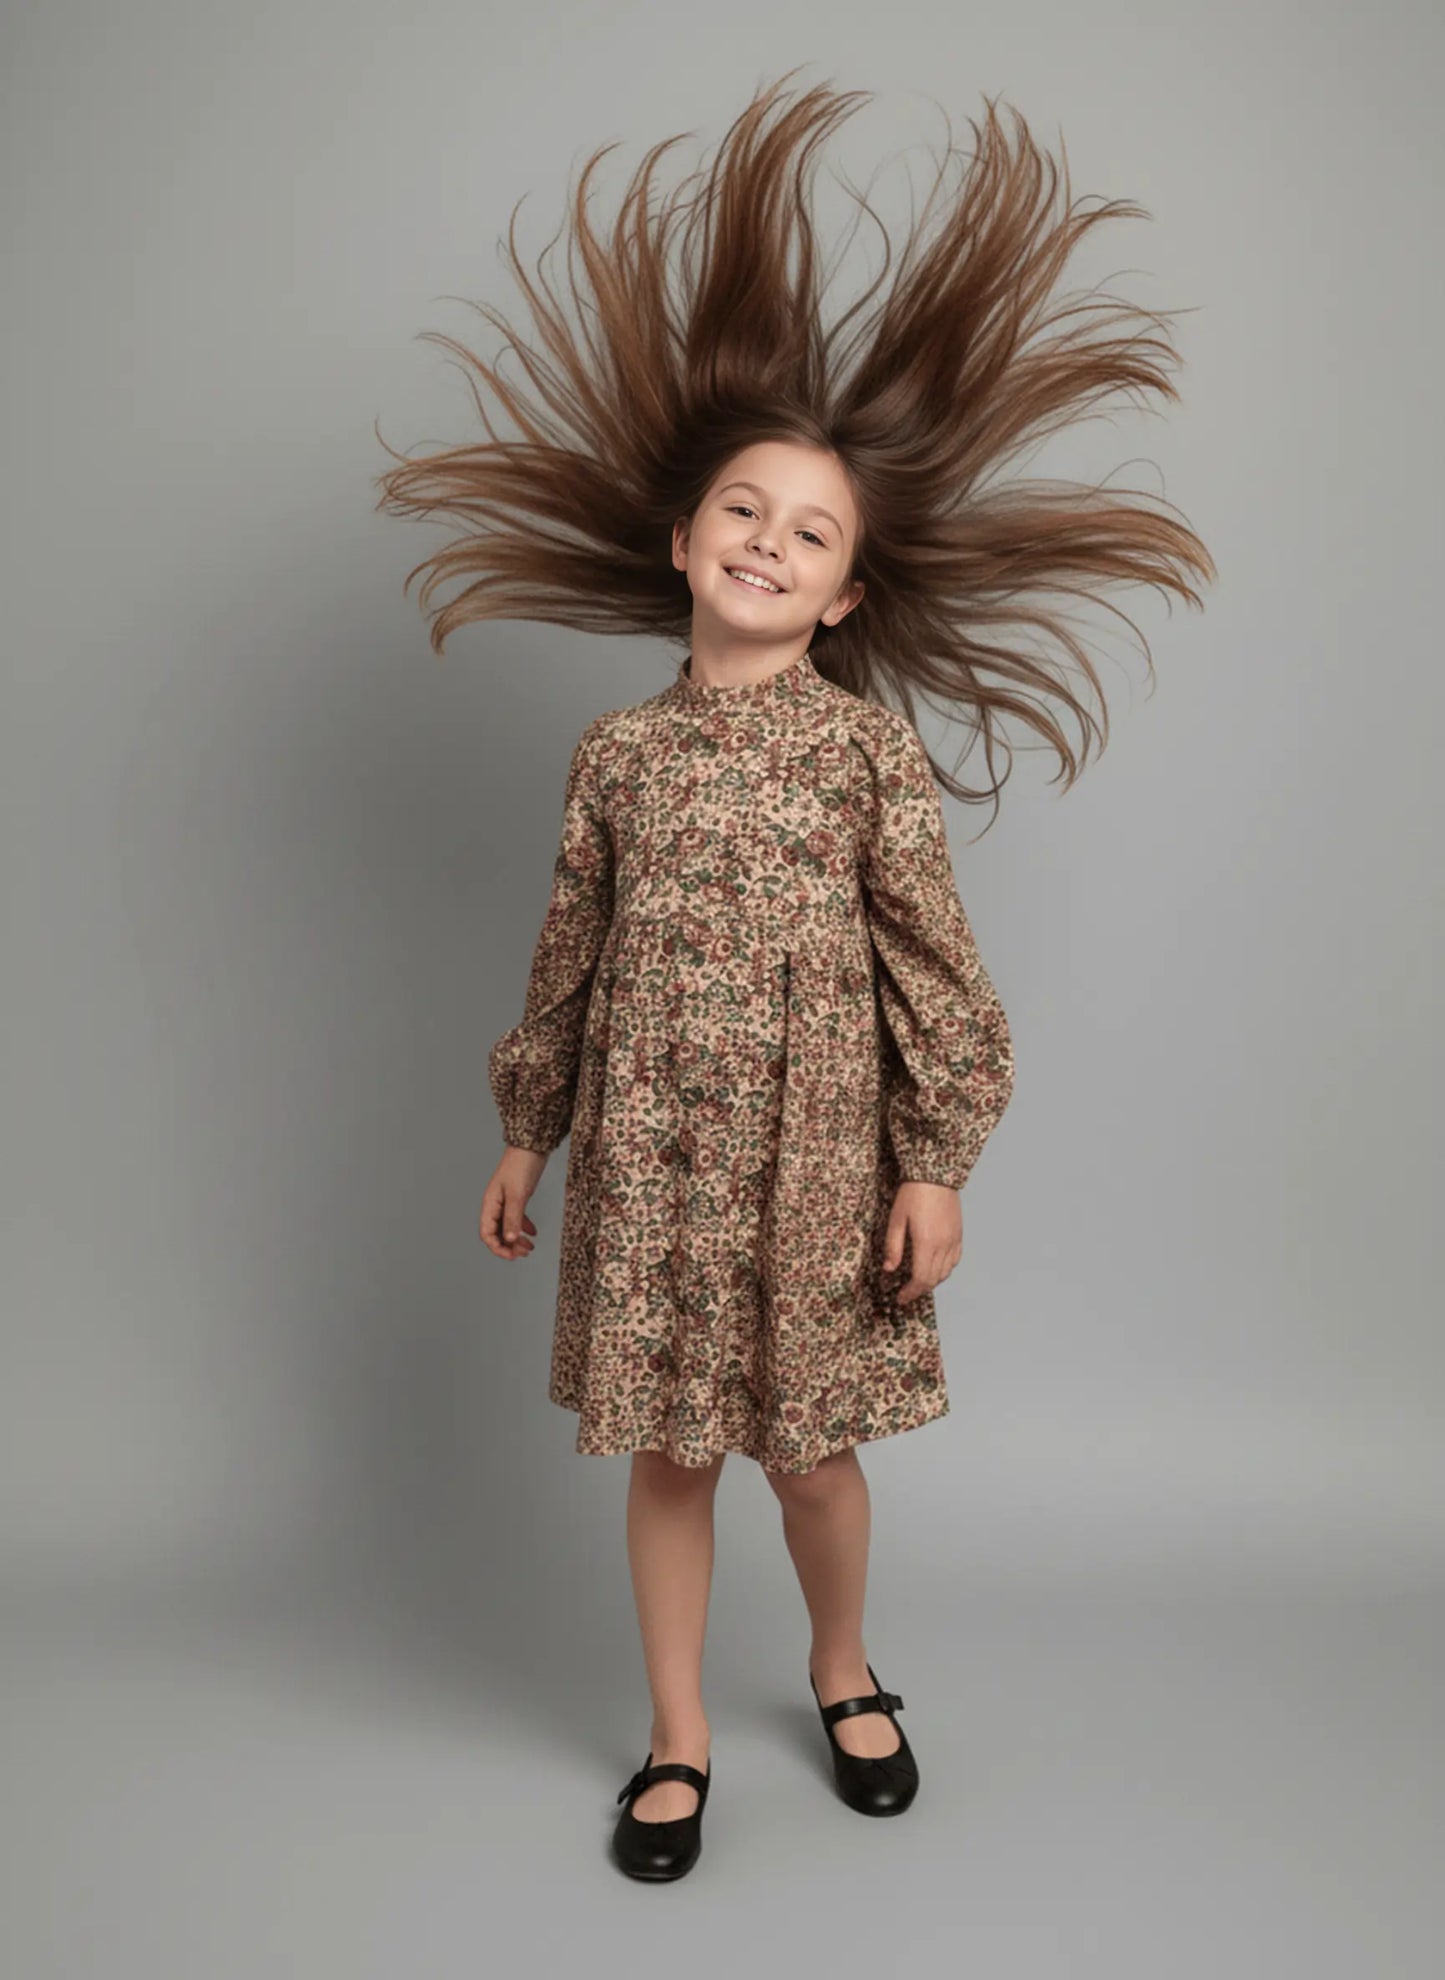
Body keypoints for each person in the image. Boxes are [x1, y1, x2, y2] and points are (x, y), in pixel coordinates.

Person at [374, 70, 1214, 1882]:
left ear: (841, 597)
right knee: (667, 1458)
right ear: (680, 544)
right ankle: (676, 1737)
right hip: (652, 1166)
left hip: (814, 1165)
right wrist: (525, 1129)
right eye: (740, 511)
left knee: (811, 1458)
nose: (766, 539)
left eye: (809, 532)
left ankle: (842, 1667)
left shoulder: (862, 755)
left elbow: (934, 974)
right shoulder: (615, 754)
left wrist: (935, 1163)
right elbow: (568, 953)